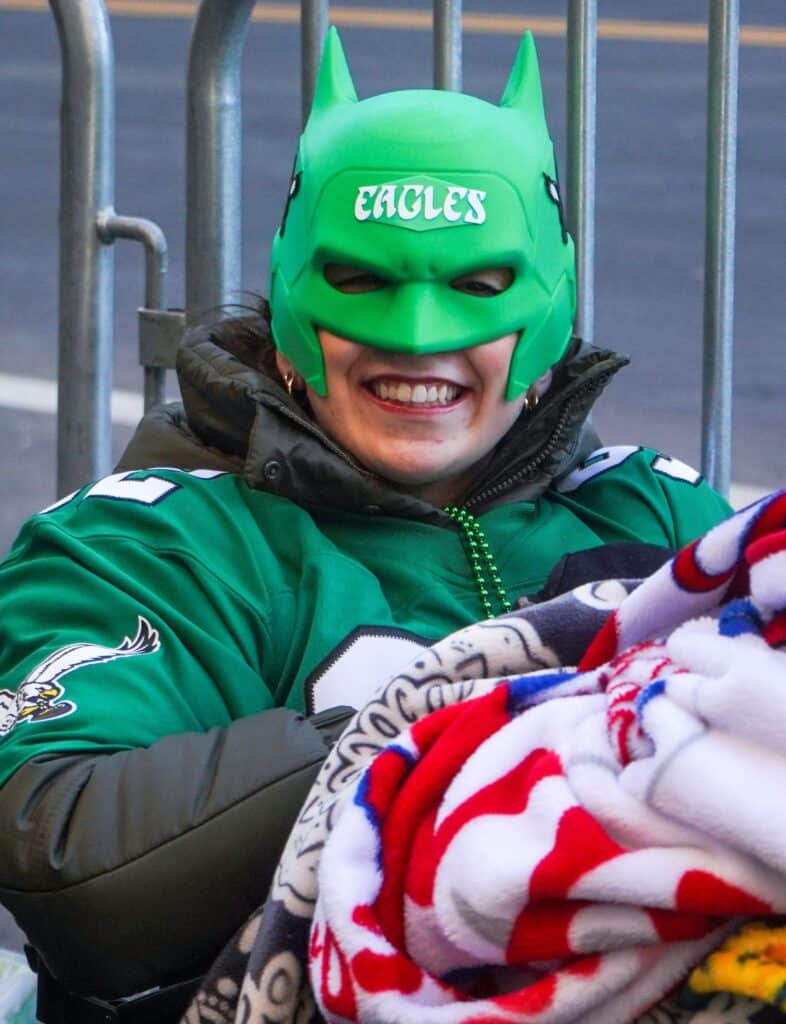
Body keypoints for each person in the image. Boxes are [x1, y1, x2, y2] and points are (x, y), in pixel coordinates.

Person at [0, 29, 731, 1014]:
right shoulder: (147, 545)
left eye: (477, 285)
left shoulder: (661, 508)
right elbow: (70, 863)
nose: (419, 337)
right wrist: (469, 719)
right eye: (362, 282)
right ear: (296, 305)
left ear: (547, 317)